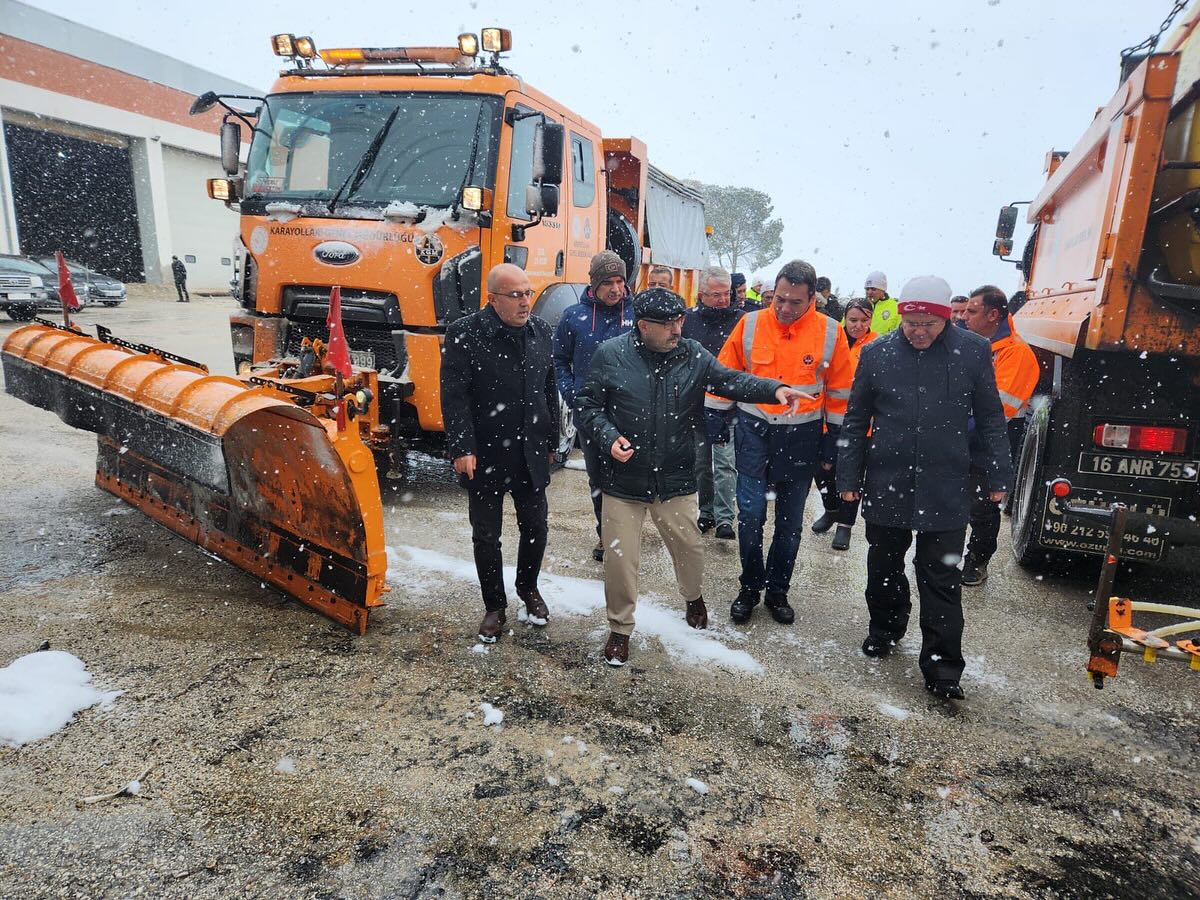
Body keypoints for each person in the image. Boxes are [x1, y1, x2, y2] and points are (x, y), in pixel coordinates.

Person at [575, 288, 806, 666]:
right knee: (620, 561)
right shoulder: (611, 355)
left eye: (680, 320)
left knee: (690, 549)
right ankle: (620, 629)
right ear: (643, 325)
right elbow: (587, 404)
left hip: (675, 476)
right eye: (667, 324)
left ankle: (693, 595)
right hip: (623, 479)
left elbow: (731, 381)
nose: (677, 329)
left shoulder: (692, 355)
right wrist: (608, 436)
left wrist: (774, 389)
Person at [837, 276, 1013, 701]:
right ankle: (885, 627)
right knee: (883, 567)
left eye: (928, 324)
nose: (918, 331)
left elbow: (991, 416)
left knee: (941, 577)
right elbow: (857, 418)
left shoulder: (972, 351)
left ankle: (943, 667)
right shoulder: (877, 353)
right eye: (910, 323)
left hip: (947, 483)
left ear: (944, 320)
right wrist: (848, 478)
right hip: (887, 479)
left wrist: (998, 475)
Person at [714, 260, 854, 626]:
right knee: (751, 518)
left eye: (795, 302)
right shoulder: (750, 324)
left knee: (789, 525)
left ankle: (778, 590)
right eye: (779, 299)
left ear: (813, 300)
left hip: (801, 439)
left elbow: (840, 393)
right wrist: (714, 415)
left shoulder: (829, 332)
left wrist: (833, 441)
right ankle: (749, 587)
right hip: (753, 435)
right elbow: (726, 374)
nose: (785, 308)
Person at [440, 263, 559, 643]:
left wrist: (552, 438)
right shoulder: (465, 334)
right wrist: (462, 447)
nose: (526, 302)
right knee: (487, 536)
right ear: (492, 299)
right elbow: (454, 396)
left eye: (528, 293)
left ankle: (528, 589)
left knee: (536, 527)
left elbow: (548, 387)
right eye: (516, 295)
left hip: (530, 450)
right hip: (485, 453)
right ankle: (495, 605)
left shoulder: (541, 331)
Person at [553, 251, 635, 561]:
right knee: (599, 478)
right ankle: (606, 535)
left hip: (631, 411)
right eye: (608, 283)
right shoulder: (574, 316)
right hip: (591, 414)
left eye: (620, 281)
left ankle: (626, 535)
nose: (616, 289)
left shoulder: (637, 313)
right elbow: (559, 359)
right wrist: (571, 391)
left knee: (629, 477)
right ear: (594, 283)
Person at [960, 284, 1040, 586]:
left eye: (972, 311)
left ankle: (978, 561)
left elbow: (994, 412)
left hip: (991, 444)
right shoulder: (974, 345)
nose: (965, 317)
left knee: (982, 507)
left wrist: (952, 428)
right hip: (963, 438)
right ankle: (950, 557)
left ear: (993, 314)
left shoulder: (1015, 354)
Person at [812, 297, 878, 550]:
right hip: (828, 421)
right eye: (853, 320)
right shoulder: (833, 341)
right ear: (844, 319)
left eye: (864, 320)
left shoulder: (878, 345)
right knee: (823, 470)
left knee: (851, 476)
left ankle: (845, 526)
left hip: (863, 425)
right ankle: (831, 510)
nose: (858, 325)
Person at [682, 266, 743, 538]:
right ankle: (706, 512)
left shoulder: (741, 320)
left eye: (726, 293)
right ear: (701, 294)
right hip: (696, 404)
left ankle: (726, 517)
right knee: (701, 464)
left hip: (728, 405)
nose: (722, 299)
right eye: (715, 294)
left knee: (725, 463)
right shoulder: (688, 321)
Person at [864, 270, 898, 334]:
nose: (869, 292)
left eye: (873, 289)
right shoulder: (858, 306)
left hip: (885, 344)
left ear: (882, 290)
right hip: (860, 344)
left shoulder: (896, 307)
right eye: (867, 289)